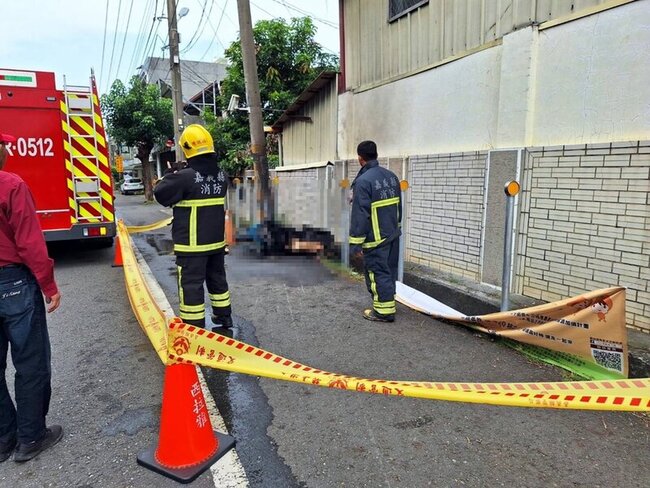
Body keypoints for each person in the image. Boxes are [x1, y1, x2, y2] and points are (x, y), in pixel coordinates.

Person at [0, 132, 62, 463]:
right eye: (5, 145)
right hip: (12, 281)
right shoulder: (10, 185)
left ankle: (3, 438)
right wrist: (48, 285)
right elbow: (28, 241)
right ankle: (30, 437)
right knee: (31, 361)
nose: (9, 149)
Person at [154, 125, 233, 329]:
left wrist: (172, 172)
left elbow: (160, 194)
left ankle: (194, 326)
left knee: (191, 285)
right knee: (217, 280)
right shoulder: (222, 176)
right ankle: (224, 317)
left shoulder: (184, 177)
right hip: (216, 243)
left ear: (188, 148)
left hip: (192, 246)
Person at [349, 140, 402, 322]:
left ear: (360, 159)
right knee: (389, 271)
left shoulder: (363, 182)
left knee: (377, 272)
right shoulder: (392, 177)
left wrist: (355, 244)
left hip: (376, 239)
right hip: (392, 235)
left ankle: (384, 312)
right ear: (376, 155)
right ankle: (388, 301)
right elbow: (398, 207)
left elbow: (360, 215)